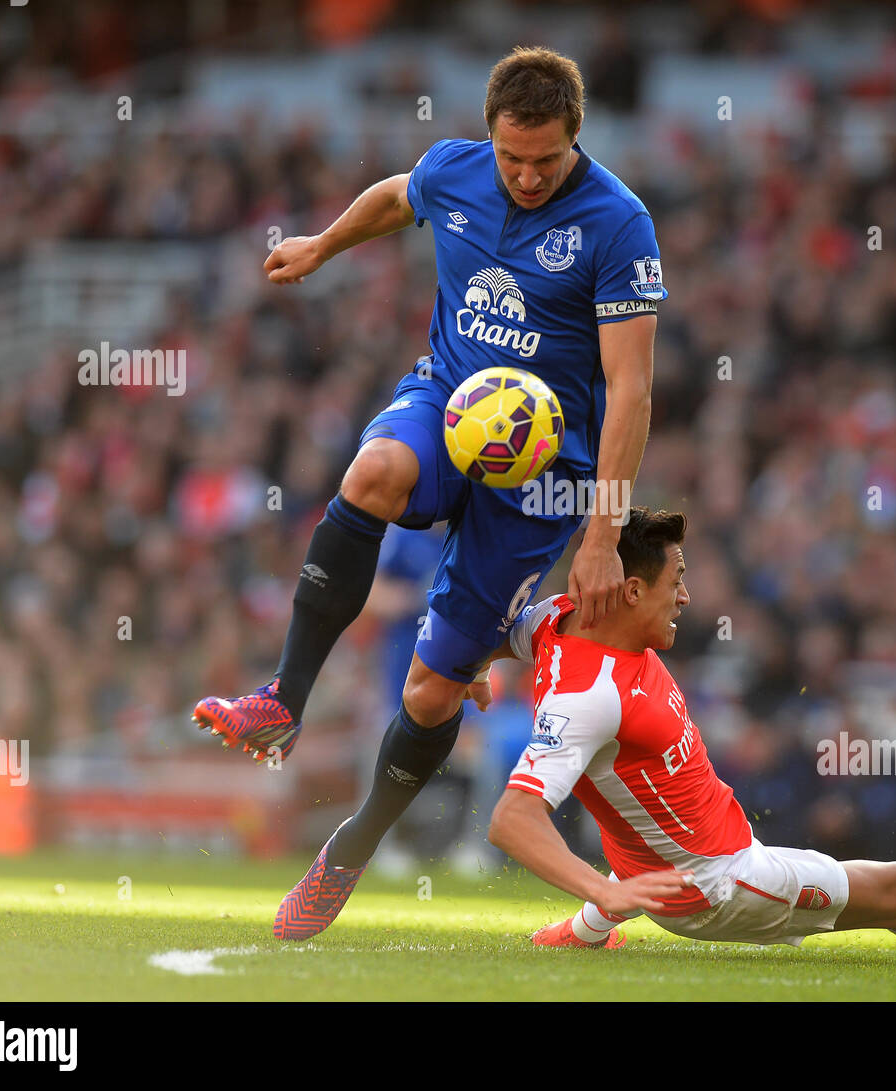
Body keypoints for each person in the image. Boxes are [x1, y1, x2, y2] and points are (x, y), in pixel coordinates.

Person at [189, 47, 667, 940]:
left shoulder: (618, 223)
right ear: (489, 135)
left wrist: (602, 531)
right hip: (451, 405)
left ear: (576, 139)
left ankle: (350, 848)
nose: (525, 176)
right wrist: (323, 245)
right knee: (369, 472)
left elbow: (631, 390)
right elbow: (395, 194)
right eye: (511, 157)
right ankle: (284, 698)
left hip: (547, 473)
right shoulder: (456, 169)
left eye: (546, 160)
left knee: (430, 697)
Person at [481, 507, 896, 968]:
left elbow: (479, 631)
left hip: (666, 865)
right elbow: (513, 818)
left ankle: (587, 932)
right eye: (676, 582)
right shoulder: (590, 694)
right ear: (630, 591)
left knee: (651, 815)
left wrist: (469, 671)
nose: (685, 597)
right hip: (721, 884)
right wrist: (599, 890)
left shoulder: (554, 622)